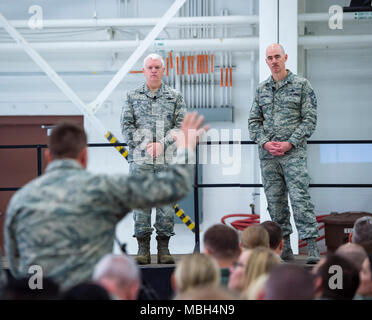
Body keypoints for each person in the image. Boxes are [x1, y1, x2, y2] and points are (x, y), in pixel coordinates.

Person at [5, 113, 208, 289]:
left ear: (49, 156)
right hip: (88, 294)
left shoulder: (20, 200)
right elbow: (175, 186)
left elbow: (15, 262)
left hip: (38, 293)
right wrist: (185, 146)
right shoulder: (103, 189)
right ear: (84, 155)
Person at [248, 43, 320, 264]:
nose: (274, 61)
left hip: (293, 155)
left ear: (285, 57)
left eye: (277, 56)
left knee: (300, 200)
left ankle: (312, 248)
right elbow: (253, 122)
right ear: (266, 61)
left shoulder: (301, 85)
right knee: (275, 203)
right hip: (269, 158)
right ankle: (284, 245)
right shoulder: (261, 89)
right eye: (269, 57)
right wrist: (265, 143)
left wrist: (290, 143)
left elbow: (310, 119)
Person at [121, 53, 187, 265]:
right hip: (141, 160)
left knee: (166, 205)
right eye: (149, 67)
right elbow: (126, 126)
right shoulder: (132, 96)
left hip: (166, 159)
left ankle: (164, 248)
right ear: (144, 70)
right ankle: (143, 249)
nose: (153, 70)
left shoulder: (175, 97)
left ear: (163, 70)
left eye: (157, 67)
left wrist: (162, 145)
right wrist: (145, 146)